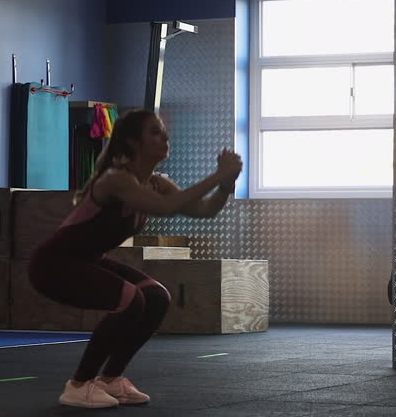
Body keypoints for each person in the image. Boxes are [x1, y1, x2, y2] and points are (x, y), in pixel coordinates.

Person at [28, 108, 242, 408]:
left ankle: (111, 379)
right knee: (130, 298)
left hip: (85, 260)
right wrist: (218, 174)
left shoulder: (156, 182)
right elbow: (166, 207)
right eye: (155, 132)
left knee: (156, 296)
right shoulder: (117, 180)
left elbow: (205, 211)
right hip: (53, 264)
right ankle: (78, 384)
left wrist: (226, 184)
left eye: (163, 130)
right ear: (132, 143)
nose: (165, 136)